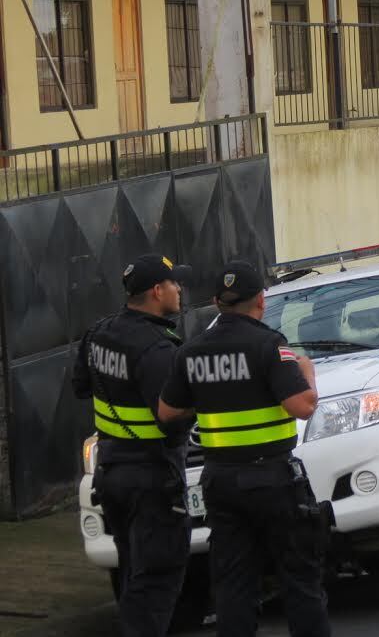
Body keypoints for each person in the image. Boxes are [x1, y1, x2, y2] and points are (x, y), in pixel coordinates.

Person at [158, 261, 329, 637]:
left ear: (217, 303)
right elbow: (302, 405)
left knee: (234, 584)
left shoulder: (191, 352)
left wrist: (210, 396)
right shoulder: (270, 345)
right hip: (273, 479)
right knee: (299, 578)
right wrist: (307, 372)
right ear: (261, 301)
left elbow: (167, 412)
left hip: (220, 481)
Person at [73, 254, 193, 637]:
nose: (179, 290)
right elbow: (170, 418)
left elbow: (81, 387)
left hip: (112, 476)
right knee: (156, 578)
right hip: (152, 480)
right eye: (174, 283)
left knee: (133, 574)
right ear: (157, 291)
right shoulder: (158, 349)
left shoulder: (98, 333)